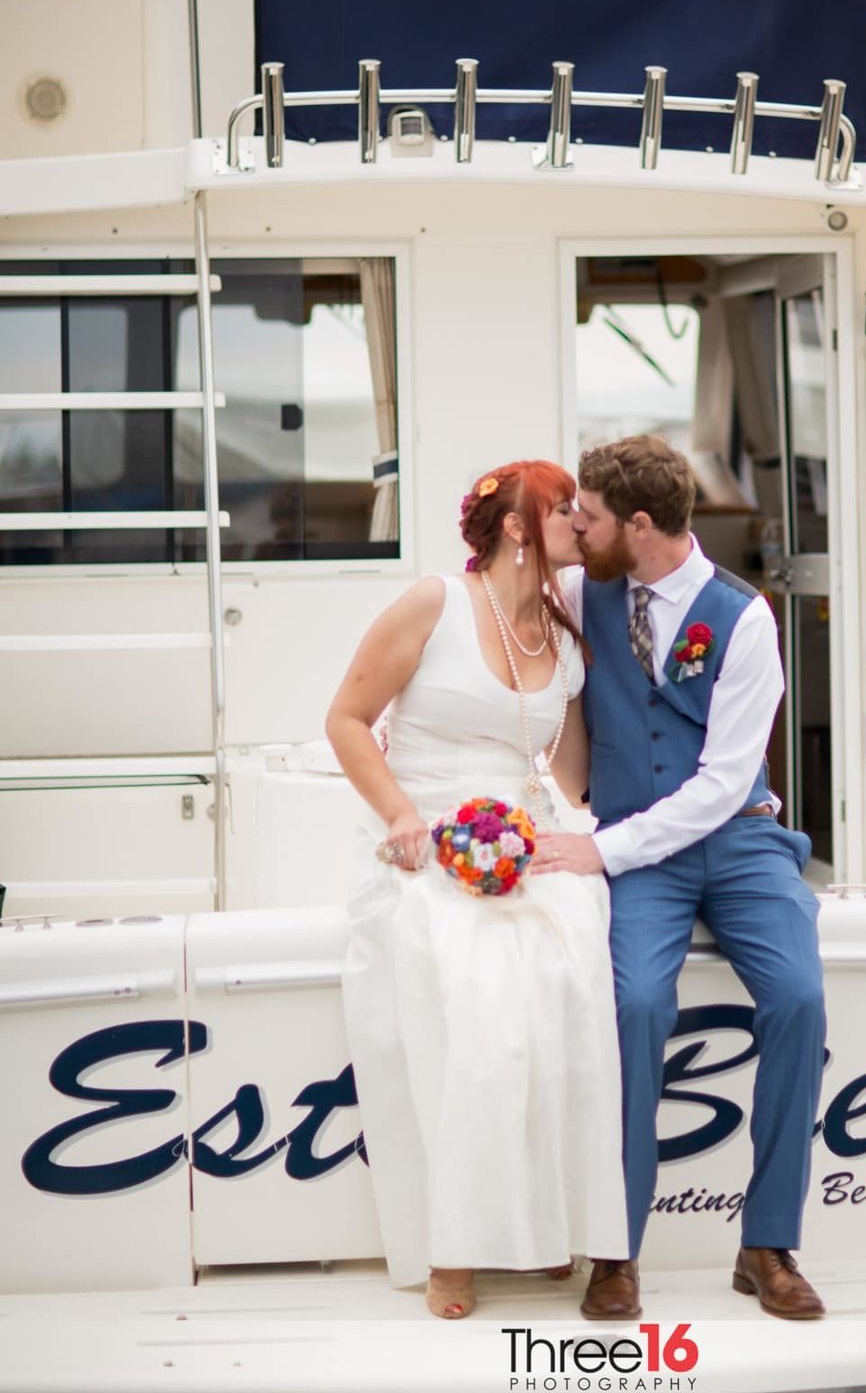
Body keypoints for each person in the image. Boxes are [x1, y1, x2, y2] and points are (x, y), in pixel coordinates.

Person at [534, 434, 826, 1322]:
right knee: (633, 1007)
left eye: (589, 517)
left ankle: (767, 1243)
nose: (577, 528)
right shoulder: (583, 591)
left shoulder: (744, 620)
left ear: (642, 524)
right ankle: (615, 1250)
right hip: (636, 851)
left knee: (799, 999)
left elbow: (724, 784)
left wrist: (601, 851)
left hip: (736, 843)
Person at [328, 460, 628, 1319]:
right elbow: (345, 721)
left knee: (572, 973)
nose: (582, 519)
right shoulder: (434, 603)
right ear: (518, 527)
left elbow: (571, 774)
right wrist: (398, 817)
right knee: (471, 984)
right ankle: (451, 1249)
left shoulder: (567, 638)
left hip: (518, 839)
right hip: (420, 835)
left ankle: (548, 1227)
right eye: (565, 507)